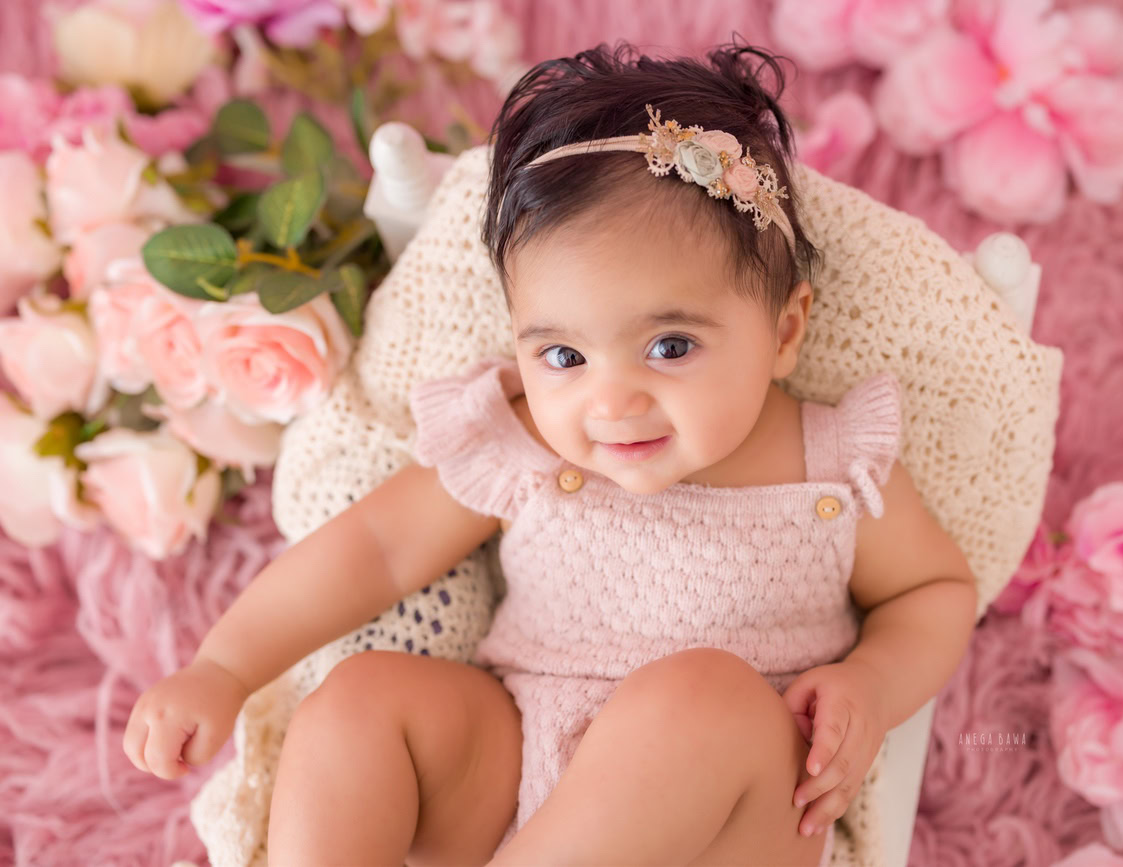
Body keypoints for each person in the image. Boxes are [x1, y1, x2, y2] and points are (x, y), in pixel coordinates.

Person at [123, 41, 979, 867]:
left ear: (785, 330)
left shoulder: (828, 463)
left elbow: (933, 591)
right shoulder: (528, 438)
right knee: (359, 699)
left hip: (721, 818)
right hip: (516, 765)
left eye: (671, 346)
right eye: (564, 357)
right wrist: (224, 666)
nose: (611, 402)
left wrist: (870, 680)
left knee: (702, 697)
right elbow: (374, 549)